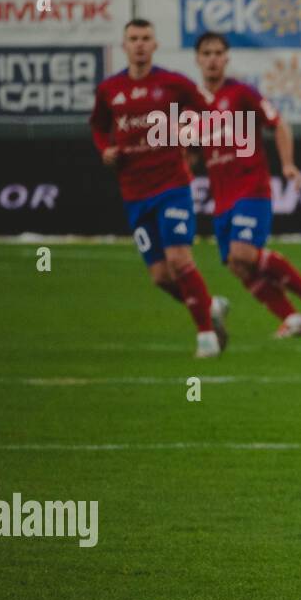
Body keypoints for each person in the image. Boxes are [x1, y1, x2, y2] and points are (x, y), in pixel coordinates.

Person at [89, 19, 228, 358]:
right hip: (134, 193)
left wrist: (190, 137)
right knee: (161, 277)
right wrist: (104, 150)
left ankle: (207, 337)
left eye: (146, 38)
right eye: (133, 39)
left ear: (155, 45)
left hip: (173, 187)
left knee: (180, 260)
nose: (139, 44)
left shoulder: (173, 84)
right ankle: (209, 306)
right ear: (124, 46)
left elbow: (208, 114)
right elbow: (98, 126)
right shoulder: (110, 89)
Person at [192, 32, 301, 338]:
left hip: (250, 187)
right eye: (207, 53)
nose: (213, 59)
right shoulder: (193, 104)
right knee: (237, 265)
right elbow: (188, 151)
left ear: (227, 58)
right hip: (222, 197)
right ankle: (292, 320)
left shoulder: (241, 93)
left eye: (218, 53)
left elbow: (278, 123)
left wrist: (287, 164)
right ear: (197, 59)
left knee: (243, 253)